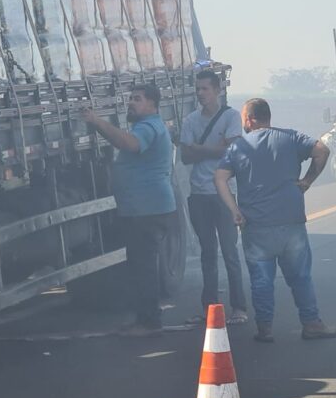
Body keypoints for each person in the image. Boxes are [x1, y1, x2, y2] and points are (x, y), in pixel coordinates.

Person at [214, 98, 336, 343]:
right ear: (268, 117)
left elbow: (219, 178)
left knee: (261, 281)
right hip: (291, 223)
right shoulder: (290, 138)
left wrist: (234, 210)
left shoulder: (238, 147)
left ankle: (265, 329)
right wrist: (307, 180)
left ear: (249, 120)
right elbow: (322, 150)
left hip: (256, 227)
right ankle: (312, 323)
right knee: (300, 277)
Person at [82, 84, 174, 337]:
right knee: (141, 266)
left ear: (152, 104)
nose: (130, 103)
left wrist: (97, 122)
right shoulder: (149, 125)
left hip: (147, 210)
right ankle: (145, 318)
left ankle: (149, 322)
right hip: (143, 208)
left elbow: (129, 143)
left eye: (137, 99)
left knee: (143, 267)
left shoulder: (148, 127)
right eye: (130, 98)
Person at [179, 70, 248, 325]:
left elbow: (232, 151)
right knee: (207, 253)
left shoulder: (230, 116)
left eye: (205, 89)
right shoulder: (190, 120)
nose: (200, 94)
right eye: (197, 89)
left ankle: (239, 307)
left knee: (229, 252)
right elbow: (186, 157)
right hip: (199, 194)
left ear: (217, 90)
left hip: (224, 195)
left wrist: (199, 148)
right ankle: (209, 308)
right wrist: (213, 149)